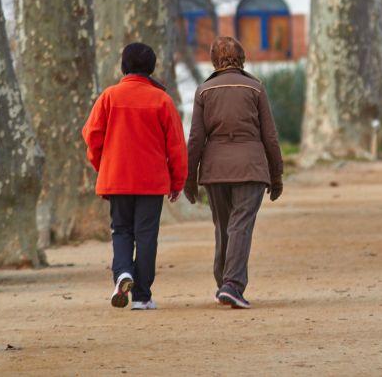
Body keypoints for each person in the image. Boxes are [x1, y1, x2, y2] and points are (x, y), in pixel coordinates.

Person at [82, 42, 188, 310]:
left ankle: (122, 274)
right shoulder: (162, 100)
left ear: (123, 66)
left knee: (121, 230)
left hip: (117, 177)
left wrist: (102, 166)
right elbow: (176, 145)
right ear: (151, 69)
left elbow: (92, 137)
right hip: (152, 182)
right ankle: (142, 295)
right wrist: (178, 181)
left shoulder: (108, 97)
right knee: (146, 235)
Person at [184, 36, 283, 309]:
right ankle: (232, 285)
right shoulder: (256, 88)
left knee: (224, 226)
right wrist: (277, 175)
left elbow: (195, 139)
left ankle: (224, 282)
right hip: (251, 166)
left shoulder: (204, 90)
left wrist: (189, 178)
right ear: (242, 58)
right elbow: (270, 137)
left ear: (215, 60)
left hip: (215, 168)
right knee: (241, 225)